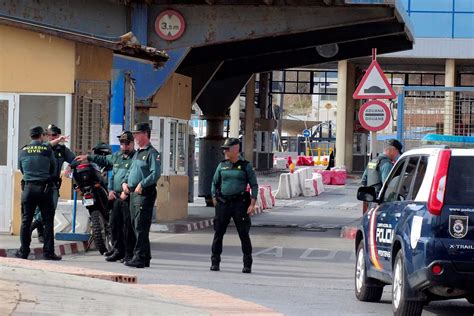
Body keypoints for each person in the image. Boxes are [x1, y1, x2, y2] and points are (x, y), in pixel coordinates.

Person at [76, 131, 136, 263]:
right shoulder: (117, 157)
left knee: (127, 226)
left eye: (126, 143)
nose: (124, 146)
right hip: (115, 196)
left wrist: (126, 191)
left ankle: (128, 253)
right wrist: (110, 190)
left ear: (132, 143)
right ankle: (117, 250)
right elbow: (106, 165)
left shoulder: (135, 158)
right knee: (114, 224)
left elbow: (133, 176)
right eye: (122, 143)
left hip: (128, 196)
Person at [210, 137, 258, 273]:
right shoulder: (222, 165)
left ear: (236, 149)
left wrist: (252, 203)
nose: (225, 151)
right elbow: (214, 183)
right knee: (218, 233)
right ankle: (215, 261)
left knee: (243, 234)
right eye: (224, 149)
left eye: (227, 149)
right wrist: (214, 198)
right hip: (224, 203)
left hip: (240, 204)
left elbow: (254, 185)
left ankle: (247, 263)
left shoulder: (245, 166)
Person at [16, 126, 61, 260]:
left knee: (26, 221)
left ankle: (24, 252)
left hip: (28, 189)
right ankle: (48, 252)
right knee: (48, 221)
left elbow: (22, 169)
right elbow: (53, 169)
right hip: (44, 189)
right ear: (41, 136)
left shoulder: (23, 151)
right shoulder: (47, 150)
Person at [122, 123, 161, 268]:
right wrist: (125, 183)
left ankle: (139, 257)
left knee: (141, 226)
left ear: (145, 134)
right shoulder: (138, 153)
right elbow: (130, 170)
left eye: (137, 133)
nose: (135, 137)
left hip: (144, 194)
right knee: (134, 224)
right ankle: (144, 256)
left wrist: (142, 184)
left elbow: (155, 173)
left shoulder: (152, 153)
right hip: (133, 194)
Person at [30, 124, 75, 243]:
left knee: (50, 209)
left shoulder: (62, 150)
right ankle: (40, 233)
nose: (51, 137)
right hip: (39, 183)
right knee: (38, 209)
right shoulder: (42, 147)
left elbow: (74, 159)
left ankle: (31, 227)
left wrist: (70, 166)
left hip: (53, 184)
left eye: (54, 135)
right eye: (49, 135)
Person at [361, 138, 403, 213]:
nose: (397, 155)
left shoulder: (373, 161)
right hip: (381, 204)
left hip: (370, 201)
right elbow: (389, 187)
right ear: (392, 150)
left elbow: (364, 181)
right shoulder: (387, 165)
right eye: (397, 152)